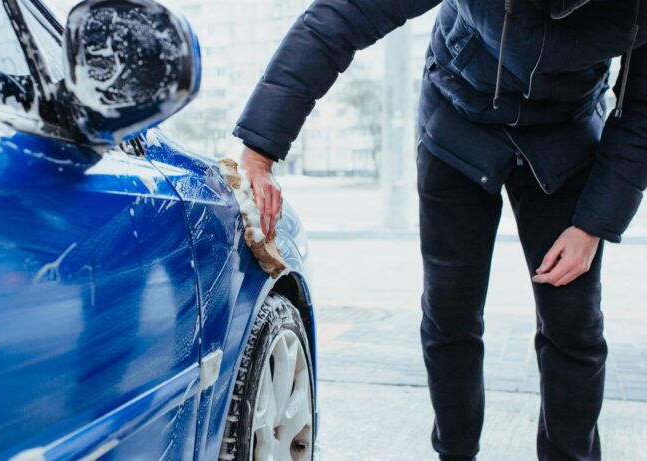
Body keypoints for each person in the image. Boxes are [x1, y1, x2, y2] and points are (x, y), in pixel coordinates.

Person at [233, 0, 646, 459]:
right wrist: (260, 150)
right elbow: (341, 18)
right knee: (451, 313)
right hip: (457, 118)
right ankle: (455, 453)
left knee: (574, 322)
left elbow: (642, 116)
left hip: (565, 137)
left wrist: (593, 226)